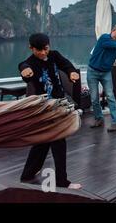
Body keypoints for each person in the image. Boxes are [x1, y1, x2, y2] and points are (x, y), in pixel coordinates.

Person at [18, 33, 81, 189]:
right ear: (31, 48)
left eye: (45, 49)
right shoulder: (30, 62)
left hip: (58, 106)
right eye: (38, 50)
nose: (43, 53)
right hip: (44, 108)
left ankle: (27, 175)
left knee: (43, 142)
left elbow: (66, 65)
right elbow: (23, 65)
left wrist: (71, 72)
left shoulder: (54, 56)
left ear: (49, 45)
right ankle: (62, 182)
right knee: (58, 142)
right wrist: (25, 71)